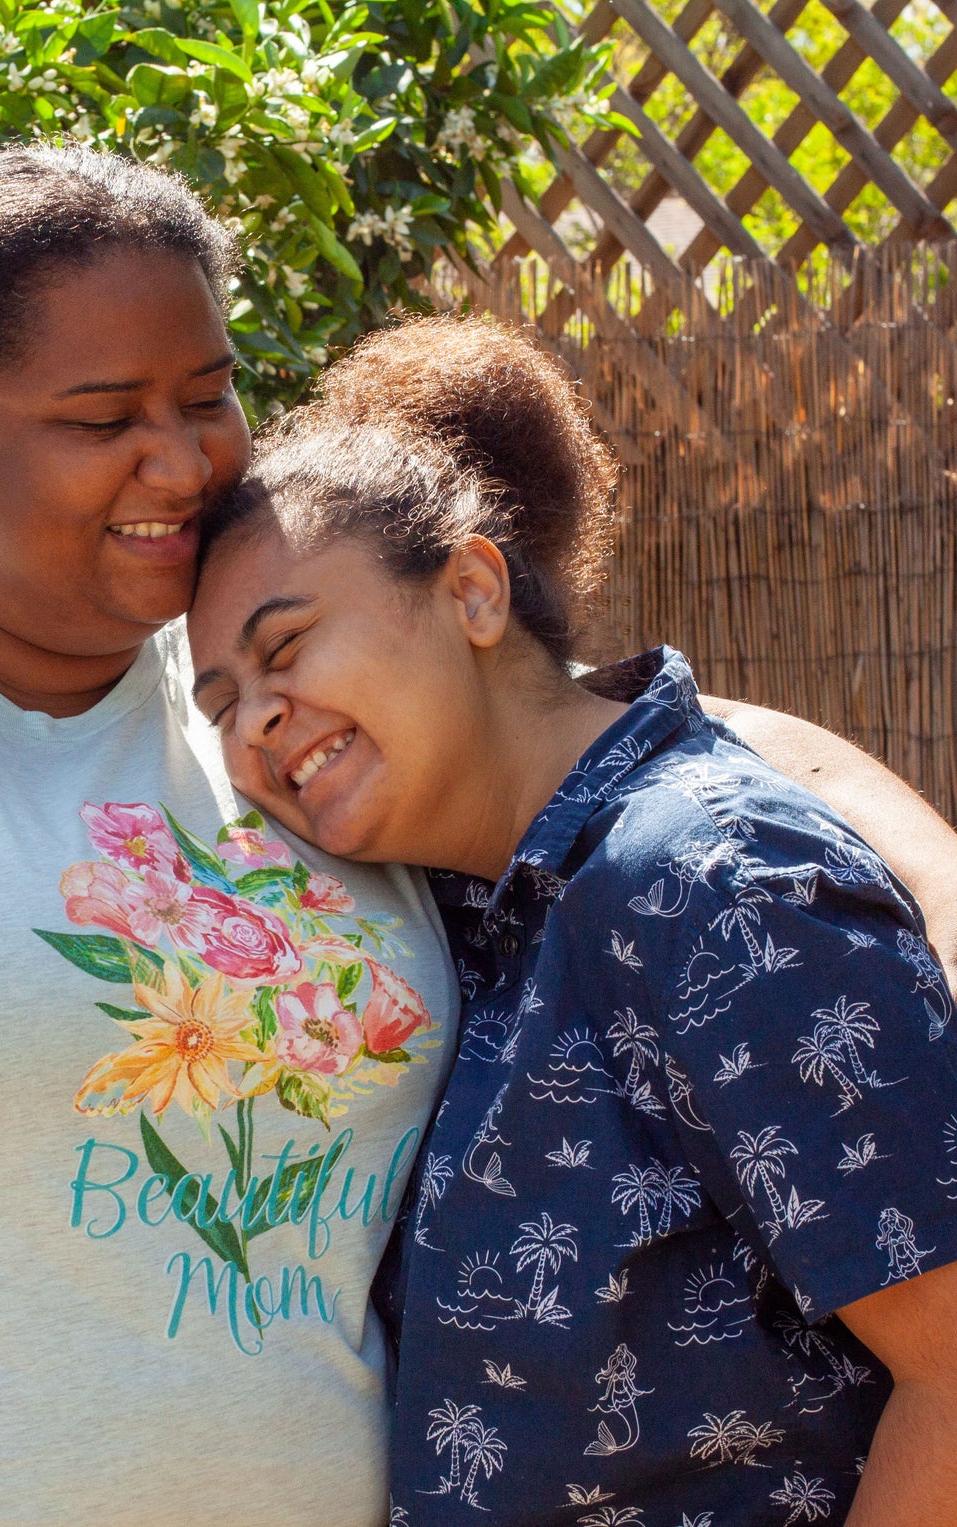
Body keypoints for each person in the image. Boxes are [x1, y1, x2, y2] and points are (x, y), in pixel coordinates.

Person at [0, 150, 952, 1527]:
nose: (184, 458)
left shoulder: (266, 698)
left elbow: (619, 754)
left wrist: (901, 856)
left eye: (207, 394)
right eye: (104, 415)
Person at [186, 314, 957, 1525]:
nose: (257, 724)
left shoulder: (708, 879)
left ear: (476, 590)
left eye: (286, 647)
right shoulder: (474, 910)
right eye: (219, 704)